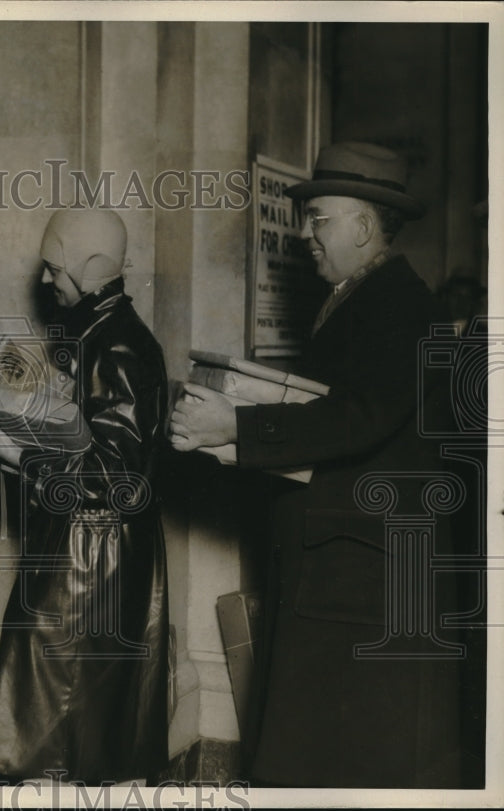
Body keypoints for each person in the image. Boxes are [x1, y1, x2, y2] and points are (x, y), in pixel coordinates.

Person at [170, 142, 463, 787]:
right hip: (343, 565)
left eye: (319, 218)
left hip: (362, 578)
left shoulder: (401, 306)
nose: (306, 233)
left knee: (345, 757)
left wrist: (239, 427)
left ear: (363, 225)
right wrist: (231, 435)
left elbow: (357, 418)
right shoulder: (365, 296)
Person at [0, 208, 170, 784]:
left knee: (55, 740)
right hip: (86, 548)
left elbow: (115, 470)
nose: (44, 280)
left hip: (89, 561)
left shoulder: (117, 346)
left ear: (88, 270)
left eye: (54, 267)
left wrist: (20, 455)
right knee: (74, 735)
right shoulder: (94, 334)